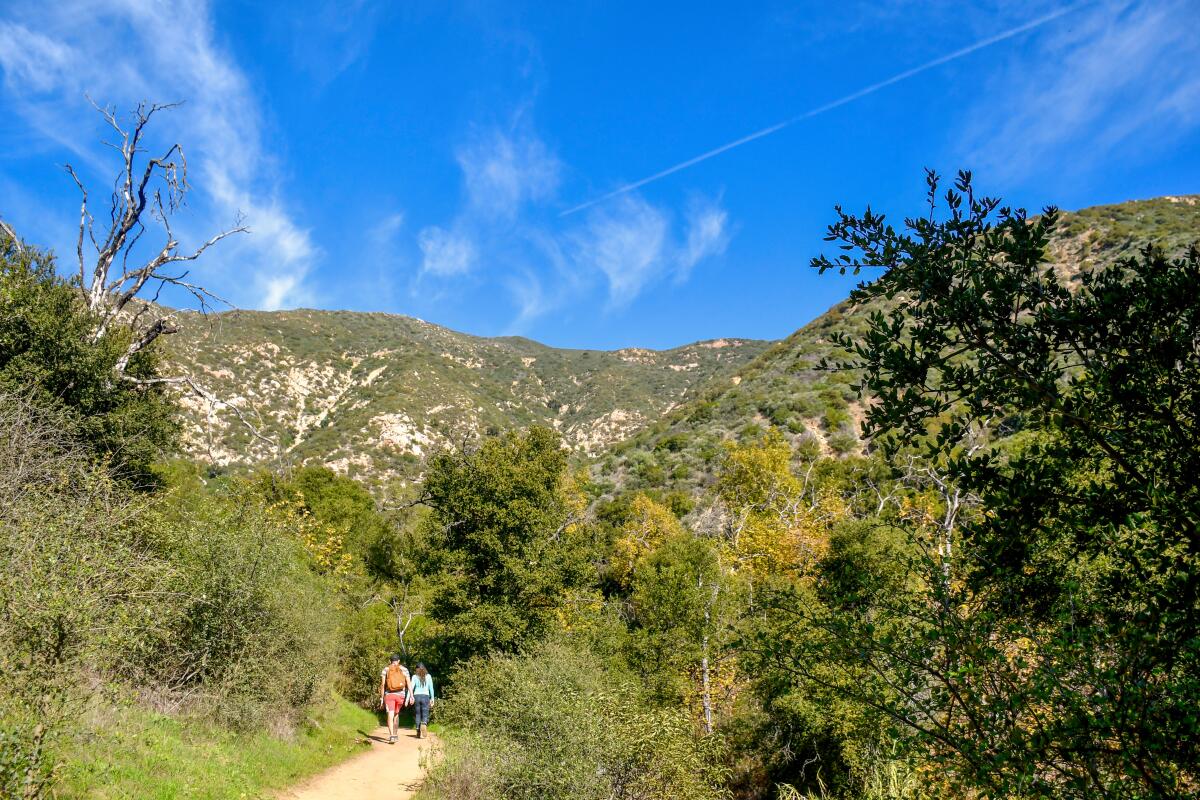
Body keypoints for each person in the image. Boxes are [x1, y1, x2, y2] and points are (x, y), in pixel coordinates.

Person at [379, 654, 411, 744]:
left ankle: (392, 736)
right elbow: (408, 683)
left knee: (390, 714)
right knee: (396, 714)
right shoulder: (404, 669)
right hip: (401, 695)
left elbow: (382, 685)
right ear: (399, 661)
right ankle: (395, 734)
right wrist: (411, 696)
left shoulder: (386, 669)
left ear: (390, 661)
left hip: (389, 695)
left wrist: (381, 698)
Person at [409, 663, 435, 739]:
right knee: (425, 712)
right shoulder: (428, 676)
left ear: (416, 669)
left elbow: (411, 687)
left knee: (418, 714)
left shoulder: (414, 677)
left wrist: (410, 698)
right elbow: (431, 688)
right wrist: (432, 698)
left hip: (416, 696)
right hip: (425, 696)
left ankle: (418, 731)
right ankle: (424, 723)